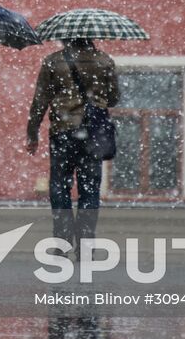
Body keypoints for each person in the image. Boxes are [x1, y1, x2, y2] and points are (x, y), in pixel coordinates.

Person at [27, 38, 120, 251]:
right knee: (90, 190)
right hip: (93, 133)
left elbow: (40, 100)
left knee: (60, 187)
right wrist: (95, 98)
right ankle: (86, 244)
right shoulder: (104, 61)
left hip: (62, 132)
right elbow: (114, 98)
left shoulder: (53, 61)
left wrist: (32, 133)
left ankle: (62, 241)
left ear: (66, 37)